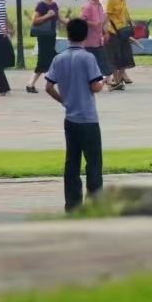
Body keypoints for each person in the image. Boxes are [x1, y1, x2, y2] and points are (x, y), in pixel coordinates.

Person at [45, 18, 105, 212]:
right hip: (88, 118)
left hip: (70, 119)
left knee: (72, 163)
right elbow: (95, 86)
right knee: (93, 164)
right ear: (85, 36)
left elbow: (48, 86)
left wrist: (65, 100)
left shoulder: (59, 58)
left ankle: (72, 204)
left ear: (68, 35)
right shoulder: (88, 58)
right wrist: (103, 81)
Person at [27, 0, 67, 93]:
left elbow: (61, 18)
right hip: (43, 37)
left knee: (45, 62)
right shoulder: (41, 5)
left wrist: (74, 23)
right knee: (52, 60)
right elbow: (34, 20)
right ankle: (61, 83)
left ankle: (30, 84)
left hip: (51, 36)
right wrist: (47, 15)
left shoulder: (54, 5)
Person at [105, 0, 137, 90]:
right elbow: (107, 16)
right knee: (115, 57)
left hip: (124, 31)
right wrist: (105, 30)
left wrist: (131, 22)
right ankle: (116, 82)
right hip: (114, 32)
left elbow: (126, 13)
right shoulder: (111, 0)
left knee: (126, 56)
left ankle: (118, 80)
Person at [79, 0, 110, 76]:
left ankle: (108, 83)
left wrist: (106, 32)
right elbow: (81, 21)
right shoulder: (88, 6)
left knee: (103, 63)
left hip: (99, 41)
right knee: (90, 65)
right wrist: (93, 24)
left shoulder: (100, 6)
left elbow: (102, 22)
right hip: (89, 42)